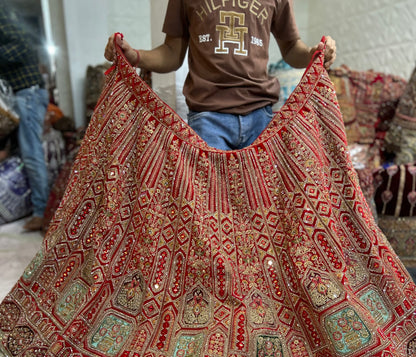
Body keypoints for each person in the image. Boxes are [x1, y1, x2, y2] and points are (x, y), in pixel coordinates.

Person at [105, 0, 336, 150]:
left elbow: (291, 49)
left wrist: (312, 54)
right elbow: (171, 53)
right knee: (209, 210)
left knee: (262, 206)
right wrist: (134, 56)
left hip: (261, 117)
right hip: (207, 118)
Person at [0, 2, 50, 231]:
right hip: (24, 92)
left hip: (27, 92)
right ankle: (38, 208)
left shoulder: (3, 12)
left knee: (31, 154)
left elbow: (23, 44)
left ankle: (43, 213)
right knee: (28, 153)